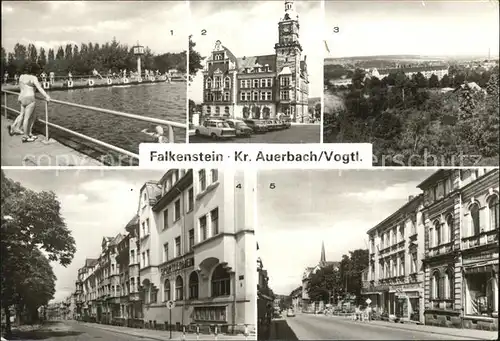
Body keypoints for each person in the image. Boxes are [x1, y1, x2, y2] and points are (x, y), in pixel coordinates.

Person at [8, 63, 51, 142]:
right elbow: (40, 88)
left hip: (21, 98)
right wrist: (46, 96)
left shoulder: (21, 76)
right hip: (30, 98)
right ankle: (25, 136)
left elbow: (21, 87)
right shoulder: (33, 78)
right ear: (35, 70)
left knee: (32, 116)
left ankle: (29, 133)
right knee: (27, 118)